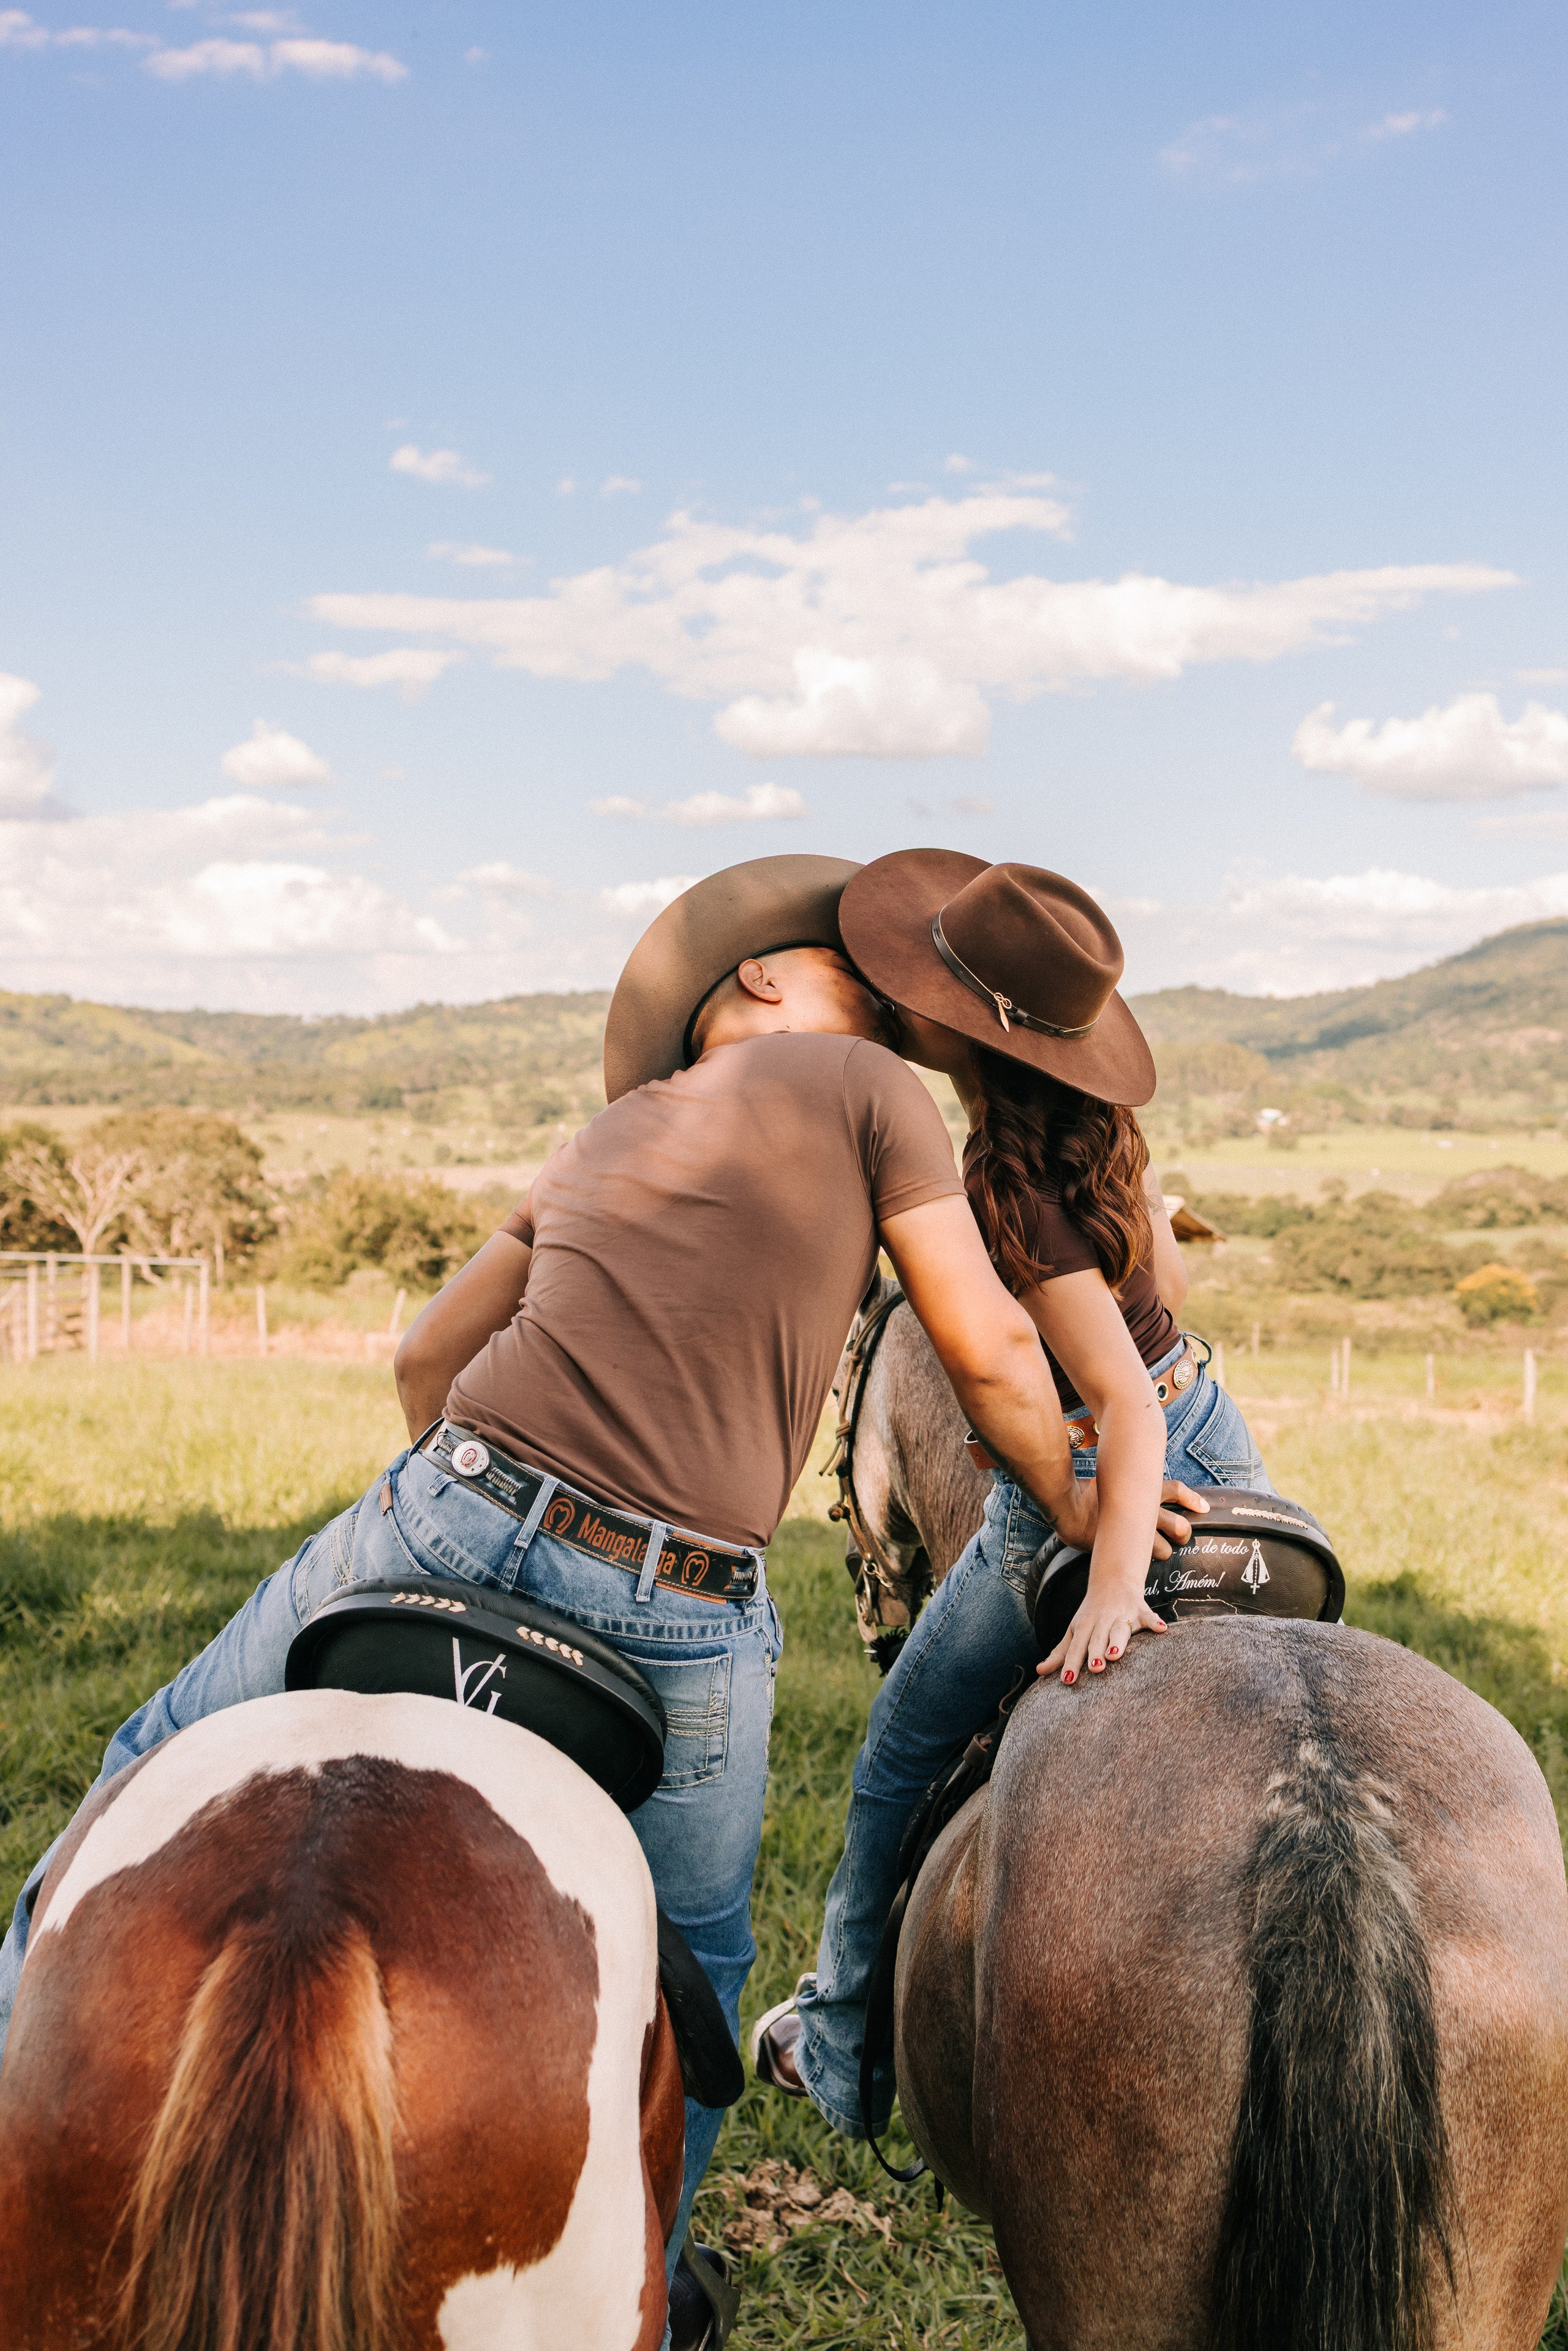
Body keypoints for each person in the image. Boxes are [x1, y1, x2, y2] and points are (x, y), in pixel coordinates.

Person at [0, 855, 1164, 2351]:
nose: (881, 1009)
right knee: (693, 1989)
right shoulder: (872, 1094)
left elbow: (426, 1358)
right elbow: (995, 1358)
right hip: (671, 1603)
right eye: (848, 977)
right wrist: (1076, 1502)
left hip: (444, 1505)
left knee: (137, 1769)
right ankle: (647, 2294)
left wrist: (487, 1499)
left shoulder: (607, 1130)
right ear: (759, 979)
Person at [755, 851, 1275, 2140]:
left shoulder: (1002, 1180)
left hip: (1106, 1466)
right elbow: (1162, 1312)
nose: (898, 996)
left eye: (921, 984)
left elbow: (1120, 1401)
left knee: (895, 1758)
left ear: (966, 1030)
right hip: (1215, 1429)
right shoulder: (1099, 1137)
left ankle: (840, 2050)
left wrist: (1110, 1580)